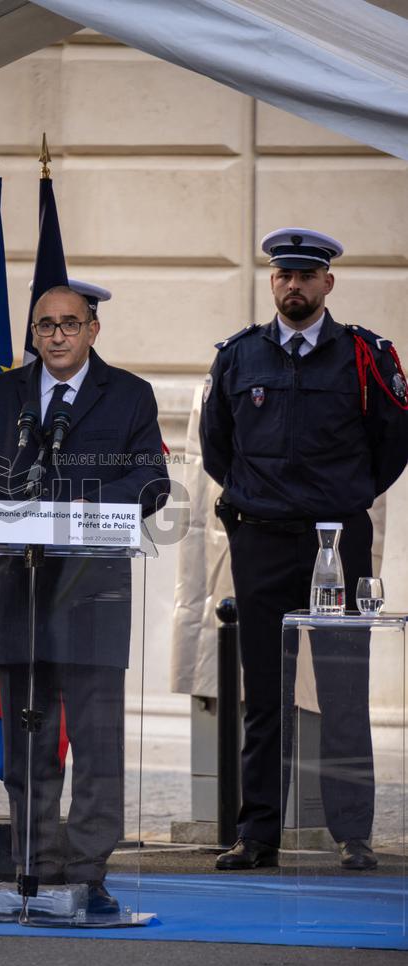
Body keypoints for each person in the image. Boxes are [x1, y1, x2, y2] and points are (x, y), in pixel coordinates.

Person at [0, 284, 169, 913]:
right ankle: (36, 866)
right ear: (34, 332)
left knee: (98, 741)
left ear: (93, 330)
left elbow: (152, 478)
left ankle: (87, 869)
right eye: (45, 325)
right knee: (30, 740)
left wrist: (86, 507)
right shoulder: (2, 396)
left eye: (69, 324)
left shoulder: (129, 394)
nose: (56, 336)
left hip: (94, 590)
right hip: (20, 588)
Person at [200, 228, 408, 871]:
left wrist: (338, 499)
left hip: (337, 542)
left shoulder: (366, 355)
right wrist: (260, 503)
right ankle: (257, 834)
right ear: (272, 282)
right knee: (263, 694)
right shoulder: (239, 356)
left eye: (307, 275)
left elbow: (393, 444)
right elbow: (217, 447)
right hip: (260, 541)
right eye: (284, 275)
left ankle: (353, 835)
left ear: (328, 283)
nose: (295, 285)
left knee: (344, 693)